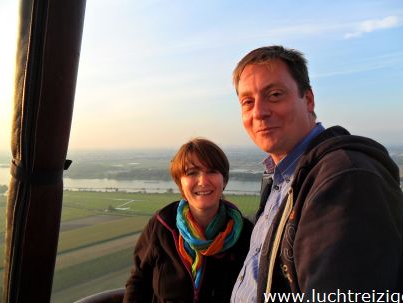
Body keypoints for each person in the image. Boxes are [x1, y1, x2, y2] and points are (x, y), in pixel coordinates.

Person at [230, 45, 403, 303]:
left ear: (308, 99)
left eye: (275, 94)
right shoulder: (283, 179)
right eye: (248, 102)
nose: (259, 112)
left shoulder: (344, 179)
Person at [123, 138, 253, 303]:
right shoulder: (162, 226)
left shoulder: (246, 234)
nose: (203, 181)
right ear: (180, 183)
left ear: (224, 180)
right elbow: (138, 282)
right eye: (192, 173)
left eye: (212, 171)